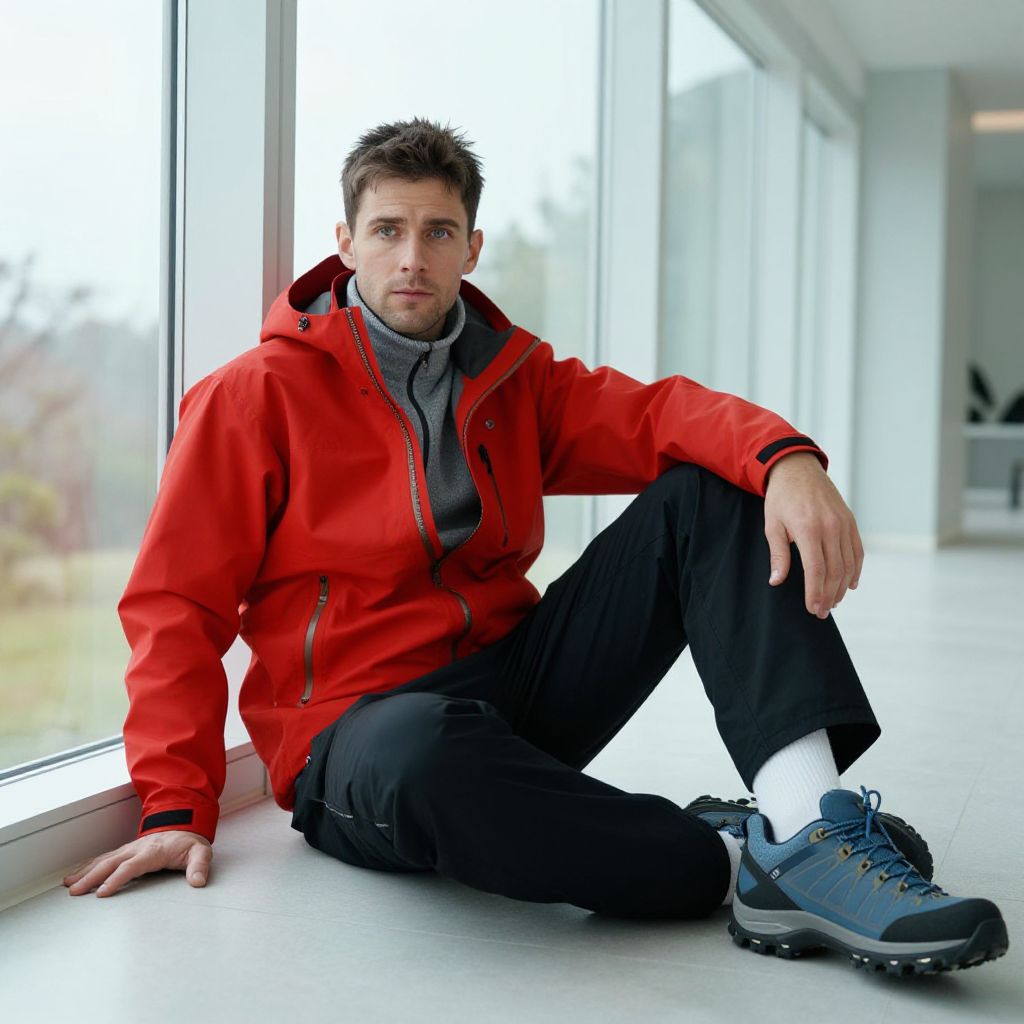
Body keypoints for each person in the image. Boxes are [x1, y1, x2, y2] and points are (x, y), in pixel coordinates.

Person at [64, 118, 1007, 975]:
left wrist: (787, 457)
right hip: (359, 740)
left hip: (510, 687)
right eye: (387, 230)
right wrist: (176, 808)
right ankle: (738, 857)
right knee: (422, 750)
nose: (412, 257)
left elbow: (659, 415)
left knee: (711, 486)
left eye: (438, 232)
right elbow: (174, 608)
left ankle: (805, 821)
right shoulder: (252, 397)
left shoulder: (515, 379)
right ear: (345, 244)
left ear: (470, 248)